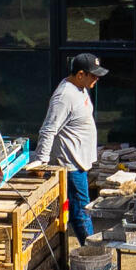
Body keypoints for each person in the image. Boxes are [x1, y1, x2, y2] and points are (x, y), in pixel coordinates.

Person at [34, 53, 107, 240]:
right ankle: (94, 261)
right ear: (80, 74)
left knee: (80, 210)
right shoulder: (64, 96)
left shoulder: (80, 88)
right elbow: (48, 129)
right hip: (70, 165)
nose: (97, 79)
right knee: (82, 212)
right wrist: (41, 162)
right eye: (93, 75)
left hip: (79, 163)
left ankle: (93, 257)